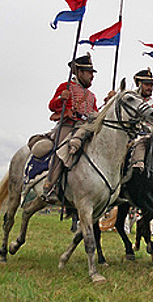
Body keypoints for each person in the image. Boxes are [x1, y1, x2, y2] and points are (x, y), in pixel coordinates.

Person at [41, 53, 100, 203]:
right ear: (79, 72)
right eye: (89, 73)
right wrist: (61, 98)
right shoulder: (66, 86)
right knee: (62, 150)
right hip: (68, 125)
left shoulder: (91, 95)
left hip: (85, 128)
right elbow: (51, 106)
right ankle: (50, 186)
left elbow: (95, 113)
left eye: (92, 73)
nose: (92, 76)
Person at [130, 68, 153, 171]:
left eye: (151, 85)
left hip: (149, 135)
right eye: (147, 85)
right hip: (131, 133)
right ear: (139, 84)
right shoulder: (130, 99)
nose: (150, 88)